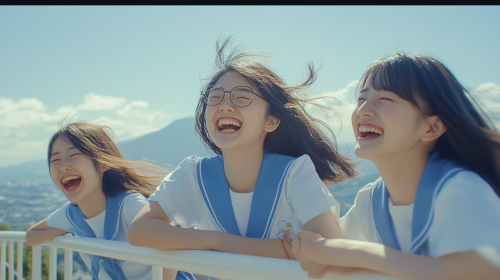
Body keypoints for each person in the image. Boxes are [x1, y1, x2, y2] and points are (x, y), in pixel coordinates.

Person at [127, 36, 356, 263]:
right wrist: (221, 241)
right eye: (215, 97)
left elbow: (331, 251)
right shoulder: (192, 174)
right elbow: (139, 230)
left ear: (271, 121)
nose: (225, 105)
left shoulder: (295, 174)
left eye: (242, 98)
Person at [291, 52, 500, 279]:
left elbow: (484, 271)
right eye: (361, 100)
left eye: (385, 100)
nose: (362, 111)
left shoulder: (459, 188)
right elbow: (334, 251)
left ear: (432, 127)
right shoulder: (370, 201)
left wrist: (358, 253)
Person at [26, 123, 195, 280]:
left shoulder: (128, 206)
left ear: (102, 163)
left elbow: (172, 241)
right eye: (55, 160)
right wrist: (64, 229)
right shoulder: (71, 216)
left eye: (74, 155)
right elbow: (31, 236)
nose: (63, 166)